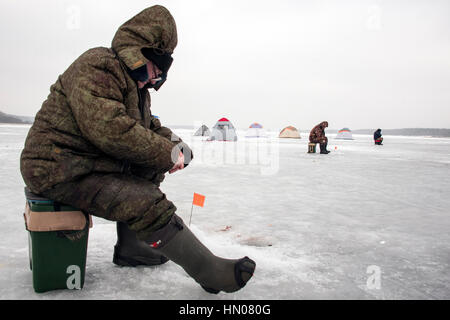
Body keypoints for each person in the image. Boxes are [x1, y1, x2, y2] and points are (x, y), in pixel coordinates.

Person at [20, 5, 255, 294]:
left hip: (86, 165)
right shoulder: (99, 66)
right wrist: (168, 153)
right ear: (138, 52)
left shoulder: (136, 89)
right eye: (153, 70)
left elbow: (150, 128)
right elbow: (111, 130)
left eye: (158, 75)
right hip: (56, 166)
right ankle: (210, 273)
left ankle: (134, 249)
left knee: (148, 166)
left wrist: (178, 147)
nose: (152, 80)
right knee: (143, 200)